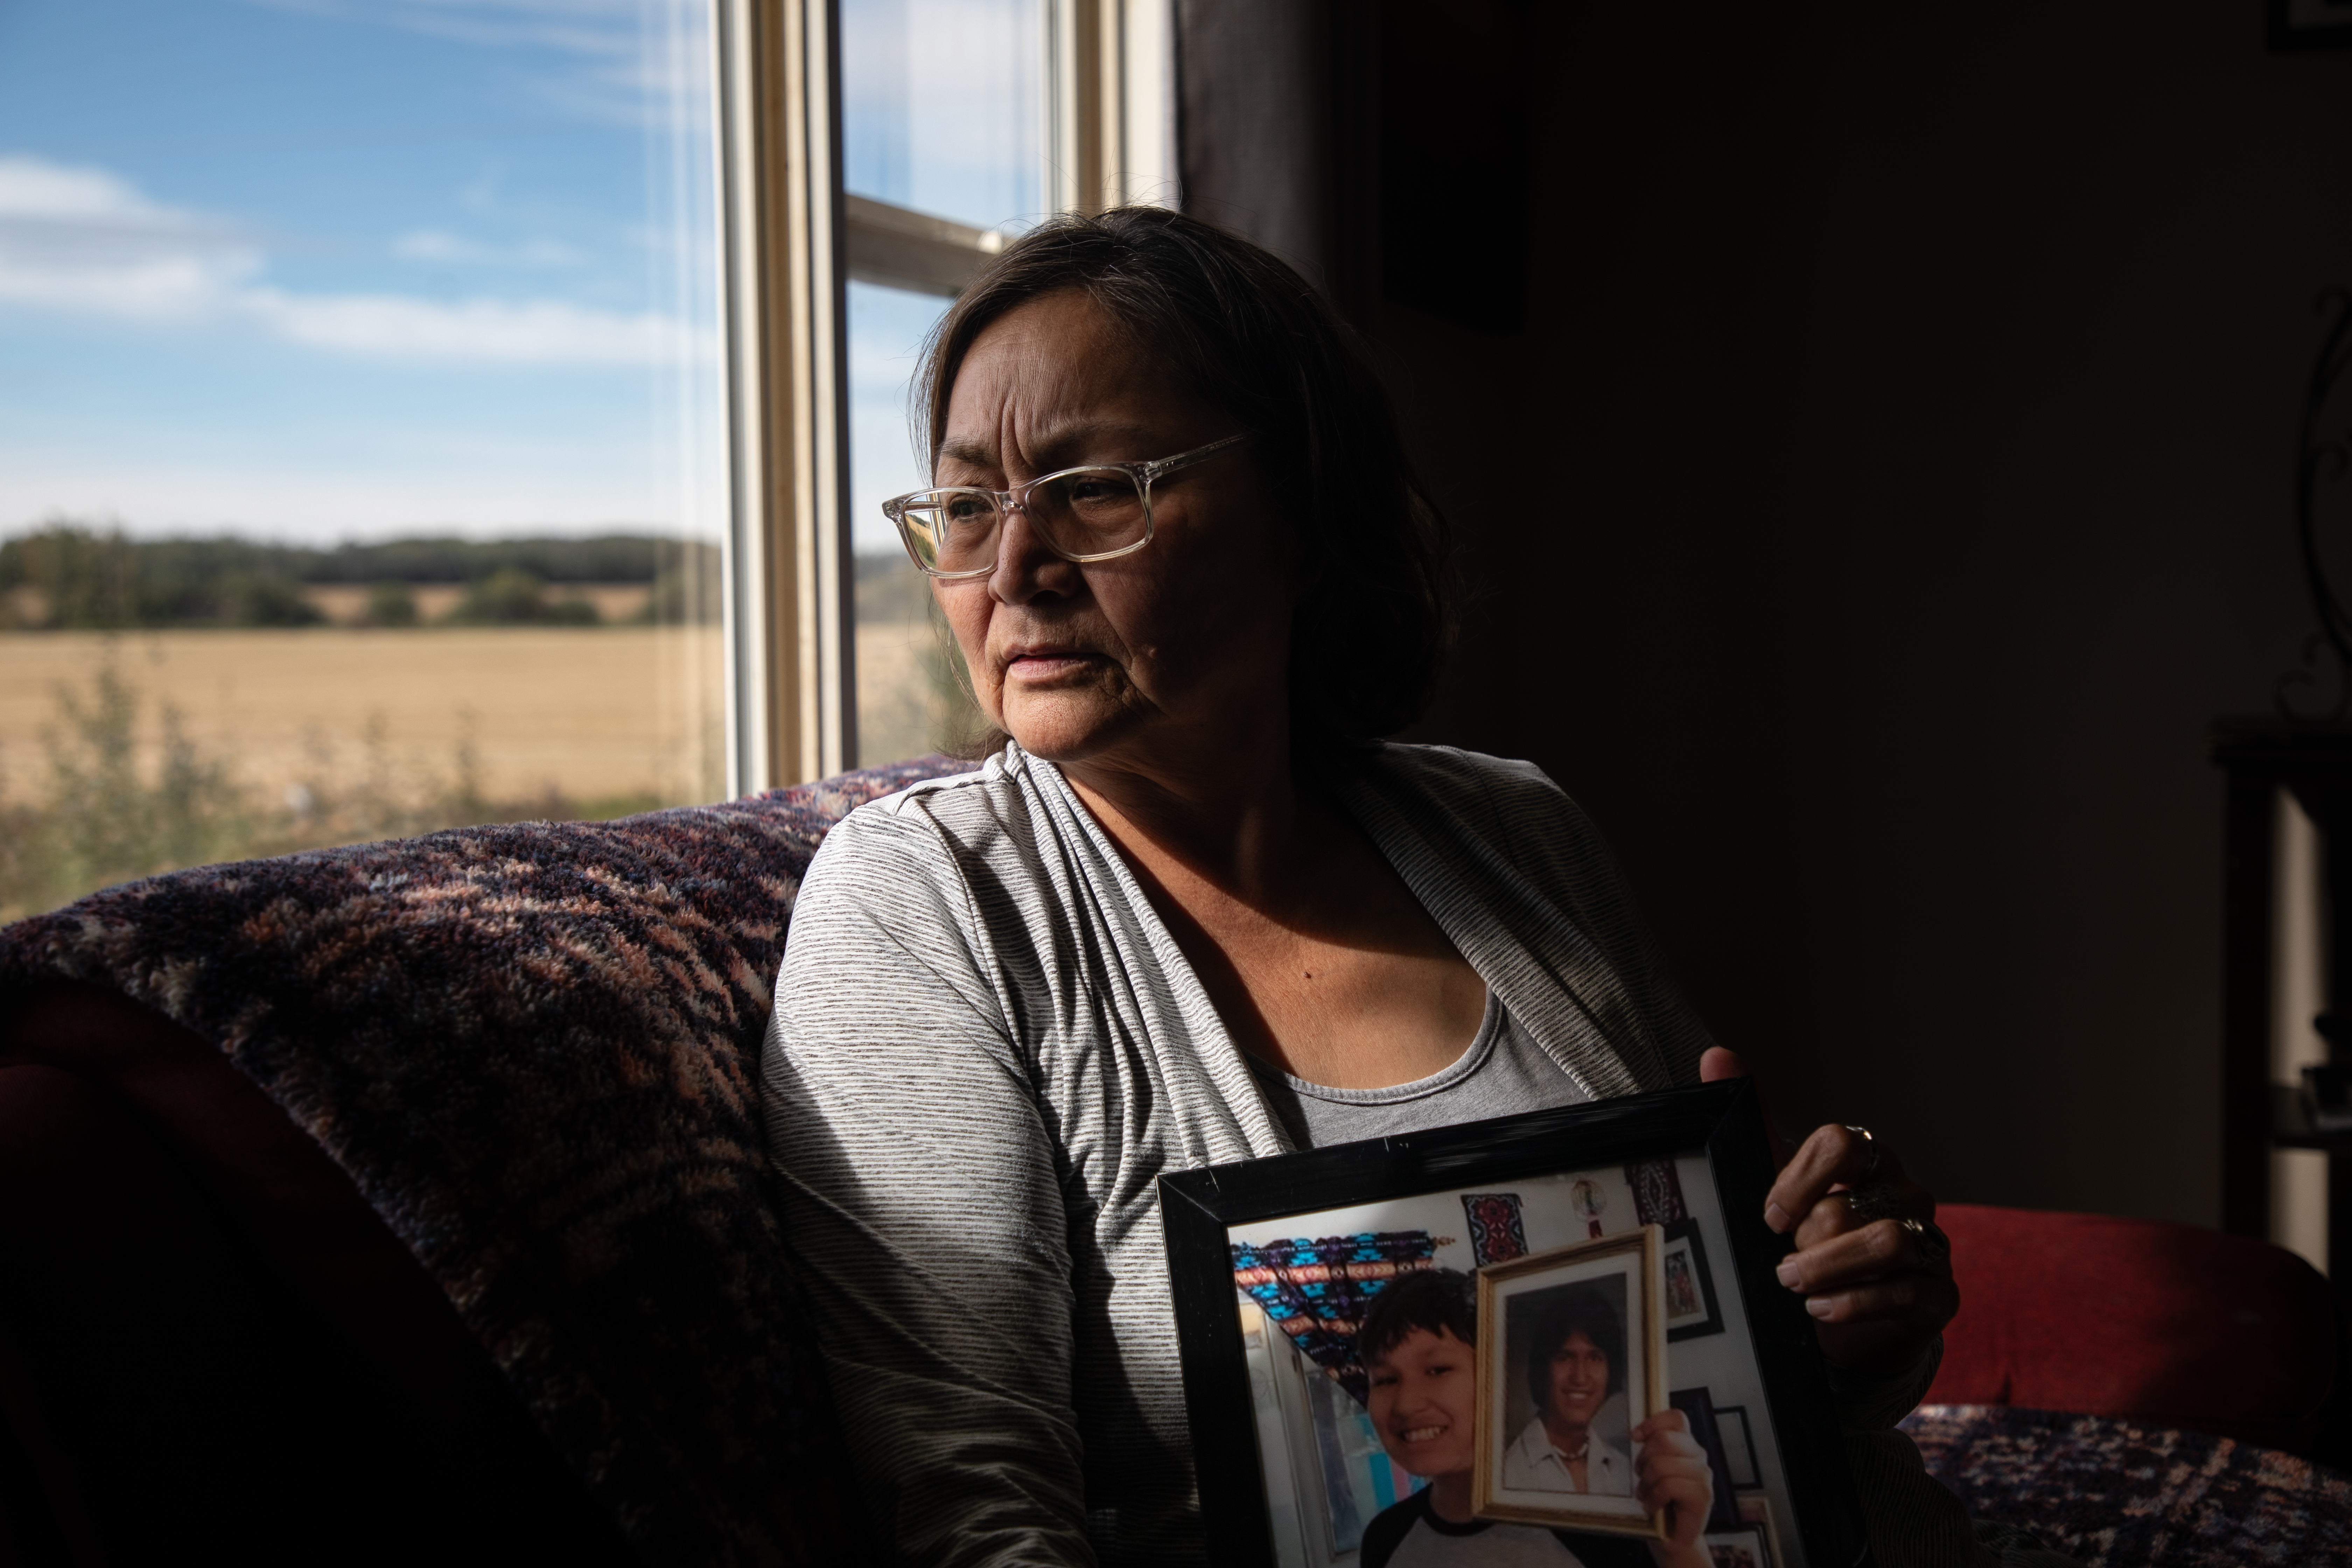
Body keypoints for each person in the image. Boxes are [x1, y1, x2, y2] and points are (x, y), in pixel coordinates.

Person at [760, 205, 2073, 1567]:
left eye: (1096, 489)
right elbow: (978, 1527)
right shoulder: (928, 904)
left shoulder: (1512, 825)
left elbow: (1730, 1367)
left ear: (1304, 512)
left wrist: (1846, 1312)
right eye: (967, 506)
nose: (1013, 569)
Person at [1357, 1270, 1708, 1568]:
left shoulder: (1604, 1514)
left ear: (1499, 1375)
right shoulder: (1385, 1539)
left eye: (1437, 1369)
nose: (1405, 1404)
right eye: (1385, 1380)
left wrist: (1682, 1550)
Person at [1500, 1287, 1633, 1496]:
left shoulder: (1625, 1470)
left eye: (1595, 1358)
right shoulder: (1505, 1473)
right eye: (1565, 1357)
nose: (1580, 1378)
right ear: (1543, 1369)